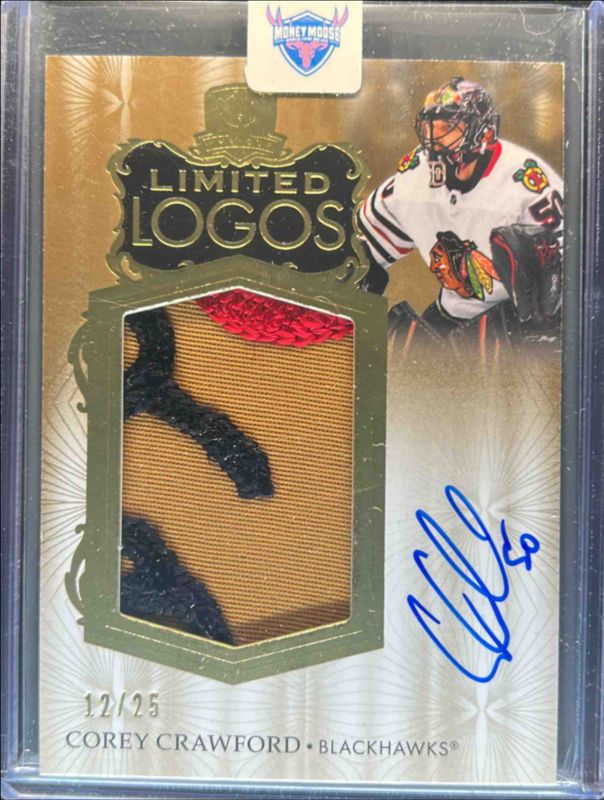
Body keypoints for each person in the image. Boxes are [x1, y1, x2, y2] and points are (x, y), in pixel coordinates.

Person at [358, 77, 563, 346]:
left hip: (515, 324)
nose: (434, 139)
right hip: (450, 314)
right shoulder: (413, 176)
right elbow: (362, 255)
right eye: (430, 127)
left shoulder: (527, 183)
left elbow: (562, 279)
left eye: (448, 127)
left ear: (484, 133)